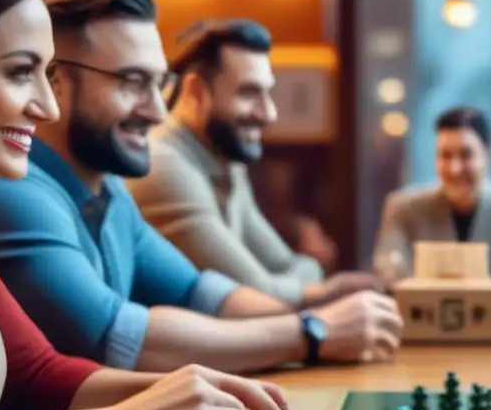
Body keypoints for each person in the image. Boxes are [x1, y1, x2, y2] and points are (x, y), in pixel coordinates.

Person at [0, 0, 294, 410]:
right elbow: (111, 341)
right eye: (20, 73)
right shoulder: (3, 195)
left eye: (47, 74)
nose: (48, 107)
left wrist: (190, 394)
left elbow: (33, 371)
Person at [0, 0, 402, 373]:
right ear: (55, 80)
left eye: (160, 84)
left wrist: (320, 325)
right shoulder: (6, 188)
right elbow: (116, 337)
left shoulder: (108, 187)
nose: (157, 111)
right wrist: (311, 332)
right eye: (132, 82)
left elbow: (203, 294)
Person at [126, 18, 379, 309]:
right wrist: (321, 285)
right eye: (249, 93)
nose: (268, 113)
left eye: (267, 92)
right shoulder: (162, 165)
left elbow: (283, 265)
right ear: (196, 92)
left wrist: (306, 277)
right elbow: (257, 296)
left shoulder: (224, 160)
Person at [373, 106, 491, 294]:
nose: (454, 168)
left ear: (486, 154)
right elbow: (389, 268)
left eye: (465, 154)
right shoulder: (403, 207)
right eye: (445, 156)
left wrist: (477, 294)